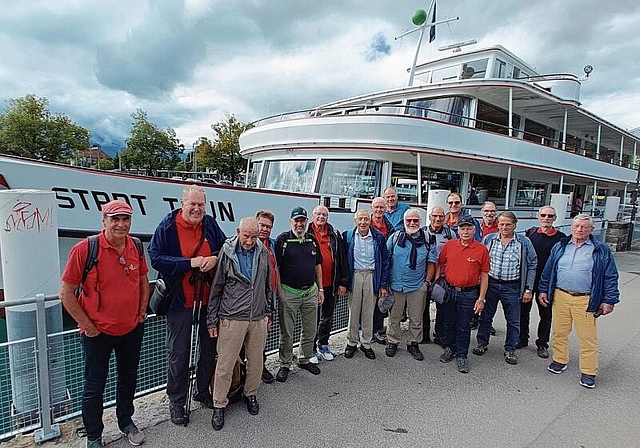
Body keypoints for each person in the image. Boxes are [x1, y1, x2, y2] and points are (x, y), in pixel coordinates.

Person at [60, 200, 149, 447]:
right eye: (115, 219)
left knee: (128, 378)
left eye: (126, 219)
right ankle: (94, 435)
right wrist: (88, 326)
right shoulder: (85, 249)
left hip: (131, 329)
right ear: (104, 221)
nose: (121, 224)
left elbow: (143, 282)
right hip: (97, 333)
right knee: (94, 386)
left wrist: (141, 314)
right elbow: (66, 292)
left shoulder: (137, 247)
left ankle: (126, 422)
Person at [148, 185, 226, 425]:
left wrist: (214, 258)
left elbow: (225, 247)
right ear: (182, 204)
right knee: (179, 353)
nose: (196, 209)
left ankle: (202, 390)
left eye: (201, 205)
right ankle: (177, 400)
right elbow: (156, 257)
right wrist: (190, 263)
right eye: (192, 204)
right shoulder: (168, 227)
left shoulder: (210, 224)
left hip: (207, 299)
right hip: (179, 300)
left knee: (208, 348)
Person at [539, 214, 620, 389]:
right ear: (571, 227)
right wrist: (543, 290)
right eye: (576, 226)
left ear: (591, 229)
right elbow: (549, 269)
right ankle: (559, 360)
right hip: (560, 295)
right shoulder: (560, 246)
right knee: (559, 332)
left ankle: (589, 371)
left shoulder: (600, 249)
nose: (579, 230)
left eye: (584, 227)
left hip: (585, 299)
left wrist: (609, 300)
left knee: (587, 338)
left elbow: (610, 276)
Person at [206, 218, 272, 431]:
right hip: (232, 317)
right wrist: (211, 319)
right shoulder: (227, 252)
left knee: (255, 361)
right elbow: (217, 287)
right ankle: (219, 403)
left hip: (257, 316)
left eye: (254, 236)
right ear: (238, 232)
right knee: (225, 363)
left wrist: (269, 312)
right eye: (246, 236)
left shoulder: (262, 252)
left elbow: (267, 283)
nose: (250, 241)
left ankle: (250, 393)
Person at [473, 211, 537, 365]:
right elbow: (481, 261)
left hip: (512, 286)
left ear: (515, 225)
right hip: (491, 284)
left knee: (513, 320)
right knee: (486, 317)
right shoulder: (489, 239)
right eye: (501, 224)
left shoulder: (524, 242)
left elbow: (533, 264)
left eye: (508, 224)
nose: (504, 227)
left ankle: (510, 349)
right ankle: (482, 343)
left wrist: (528, 289)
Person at [274, 206, 324, 382]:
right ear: (291, 222)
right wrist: (279, 292)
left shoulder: (312, 240)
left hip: (310, 291)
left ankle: (304, 358)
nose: (300, 223)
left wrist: (321, 289)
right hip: (289, 292)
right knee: (287, 332)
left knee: (310, 329)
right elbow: (277, 268)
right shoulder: (283, 240)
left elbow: (318, 265)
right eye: (297, 220)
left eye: (303, 220)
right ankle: (285, 363)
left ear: (306, 222)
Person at [436, 215, 489, 373]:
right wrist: (438, 284)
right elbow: (440, 263)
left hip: (469, 293)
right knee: (449, 323)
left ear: (474, 229)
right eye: (462, 228)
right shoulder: (450, 245)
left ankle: (462, 355)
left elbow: (485, 274)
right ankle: (450, 349)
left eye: (468, 228)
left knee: (464, 326)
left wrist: (481, 299)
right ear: (457, 230)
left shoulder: (481, 249)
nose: (465, 231)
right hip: (450, 291)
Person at [385, 208, 437, 361]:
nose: (412, 223)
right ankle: (393, 341)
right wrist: (385, 282)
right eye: (409, 220)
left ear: (420, 222)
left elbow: (431, 262)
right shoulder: (395, 237)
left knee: (416, 318)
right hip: (396, 285)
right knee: (394, 316)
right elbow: (387, 259)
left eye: (415, 220)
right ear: (404, 221)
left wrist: (427, 282)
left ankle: (413, 343)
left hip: (417, 286)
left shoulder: (428, 239)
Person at [517, 206, 566, 357]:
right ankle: (522, 338)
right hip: (529, 280)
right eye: (543, 215)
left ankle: (542, 344)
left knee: (545, 315)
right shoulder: (530, 234)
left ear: (555, 218)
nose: (546, 218)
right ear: (539, 217)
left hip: (548, 283)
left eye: (550, 216)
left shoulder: (561, 238)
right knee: (523, 312)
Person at [342, 210, 390, 359]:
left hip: (371, 276)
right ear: (355, 221)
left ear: (370, 221)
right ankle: (351, 342)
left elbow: (386, 262)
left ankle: (366, 343)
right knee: (354, 311)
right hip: (355, 276)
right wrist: (343, 282)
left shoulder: (378, 237)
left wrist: (383, 284)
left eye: (365, 219)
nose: (363, 222)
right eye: (360, 219)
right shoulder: (347, 236)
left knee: (369, 312)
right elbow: (343, 261)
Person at [307, 205, 349, 362]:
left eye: (324, 215)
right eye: (318, 214)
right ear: (313, 216)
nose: (321, 217)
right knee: (312, 318)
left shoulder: (334, 235)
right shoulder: (307, 233)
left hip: (331, 283)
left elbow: (342, 259)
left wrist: (343, 281)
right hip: (313, 285)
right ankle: (309, 348)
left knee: (327, 317)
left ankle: (323, 344)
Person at [423, 206, 458, 347]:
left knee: (442, 307)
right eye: (435, 216)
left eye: (441, 216)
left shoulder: (451, 234)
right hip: (425, 275)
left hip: (443, 277)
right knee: (422, 307)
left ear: (445, 218)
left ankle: (440, 335)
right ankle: (424, 334)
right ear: (430, 216)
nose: (438, 219)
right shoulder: (422, 232)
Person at [255, 210, 278, 383]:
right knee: (248, 337)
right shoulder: (249, 244)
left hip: (270, 296)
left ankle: (260, 366)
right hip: (254, 299)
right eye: (262, 225)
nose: (265, 229)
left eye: (268, 226)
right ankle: (244, 372)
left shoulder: (273, 245)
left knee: (264, 334)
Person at [369, 197, 394, 344]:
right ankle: (365, 329)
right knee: (365, 302)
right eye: (376, 207)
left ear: (385, 209)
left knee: (380, 300)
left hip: (382, 268)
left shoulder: (389, 228)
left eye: (381, 207)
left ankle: (377, 329)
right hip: (367, 268)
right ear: (372, 208)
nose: (379, 210)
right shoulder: (365, 223)